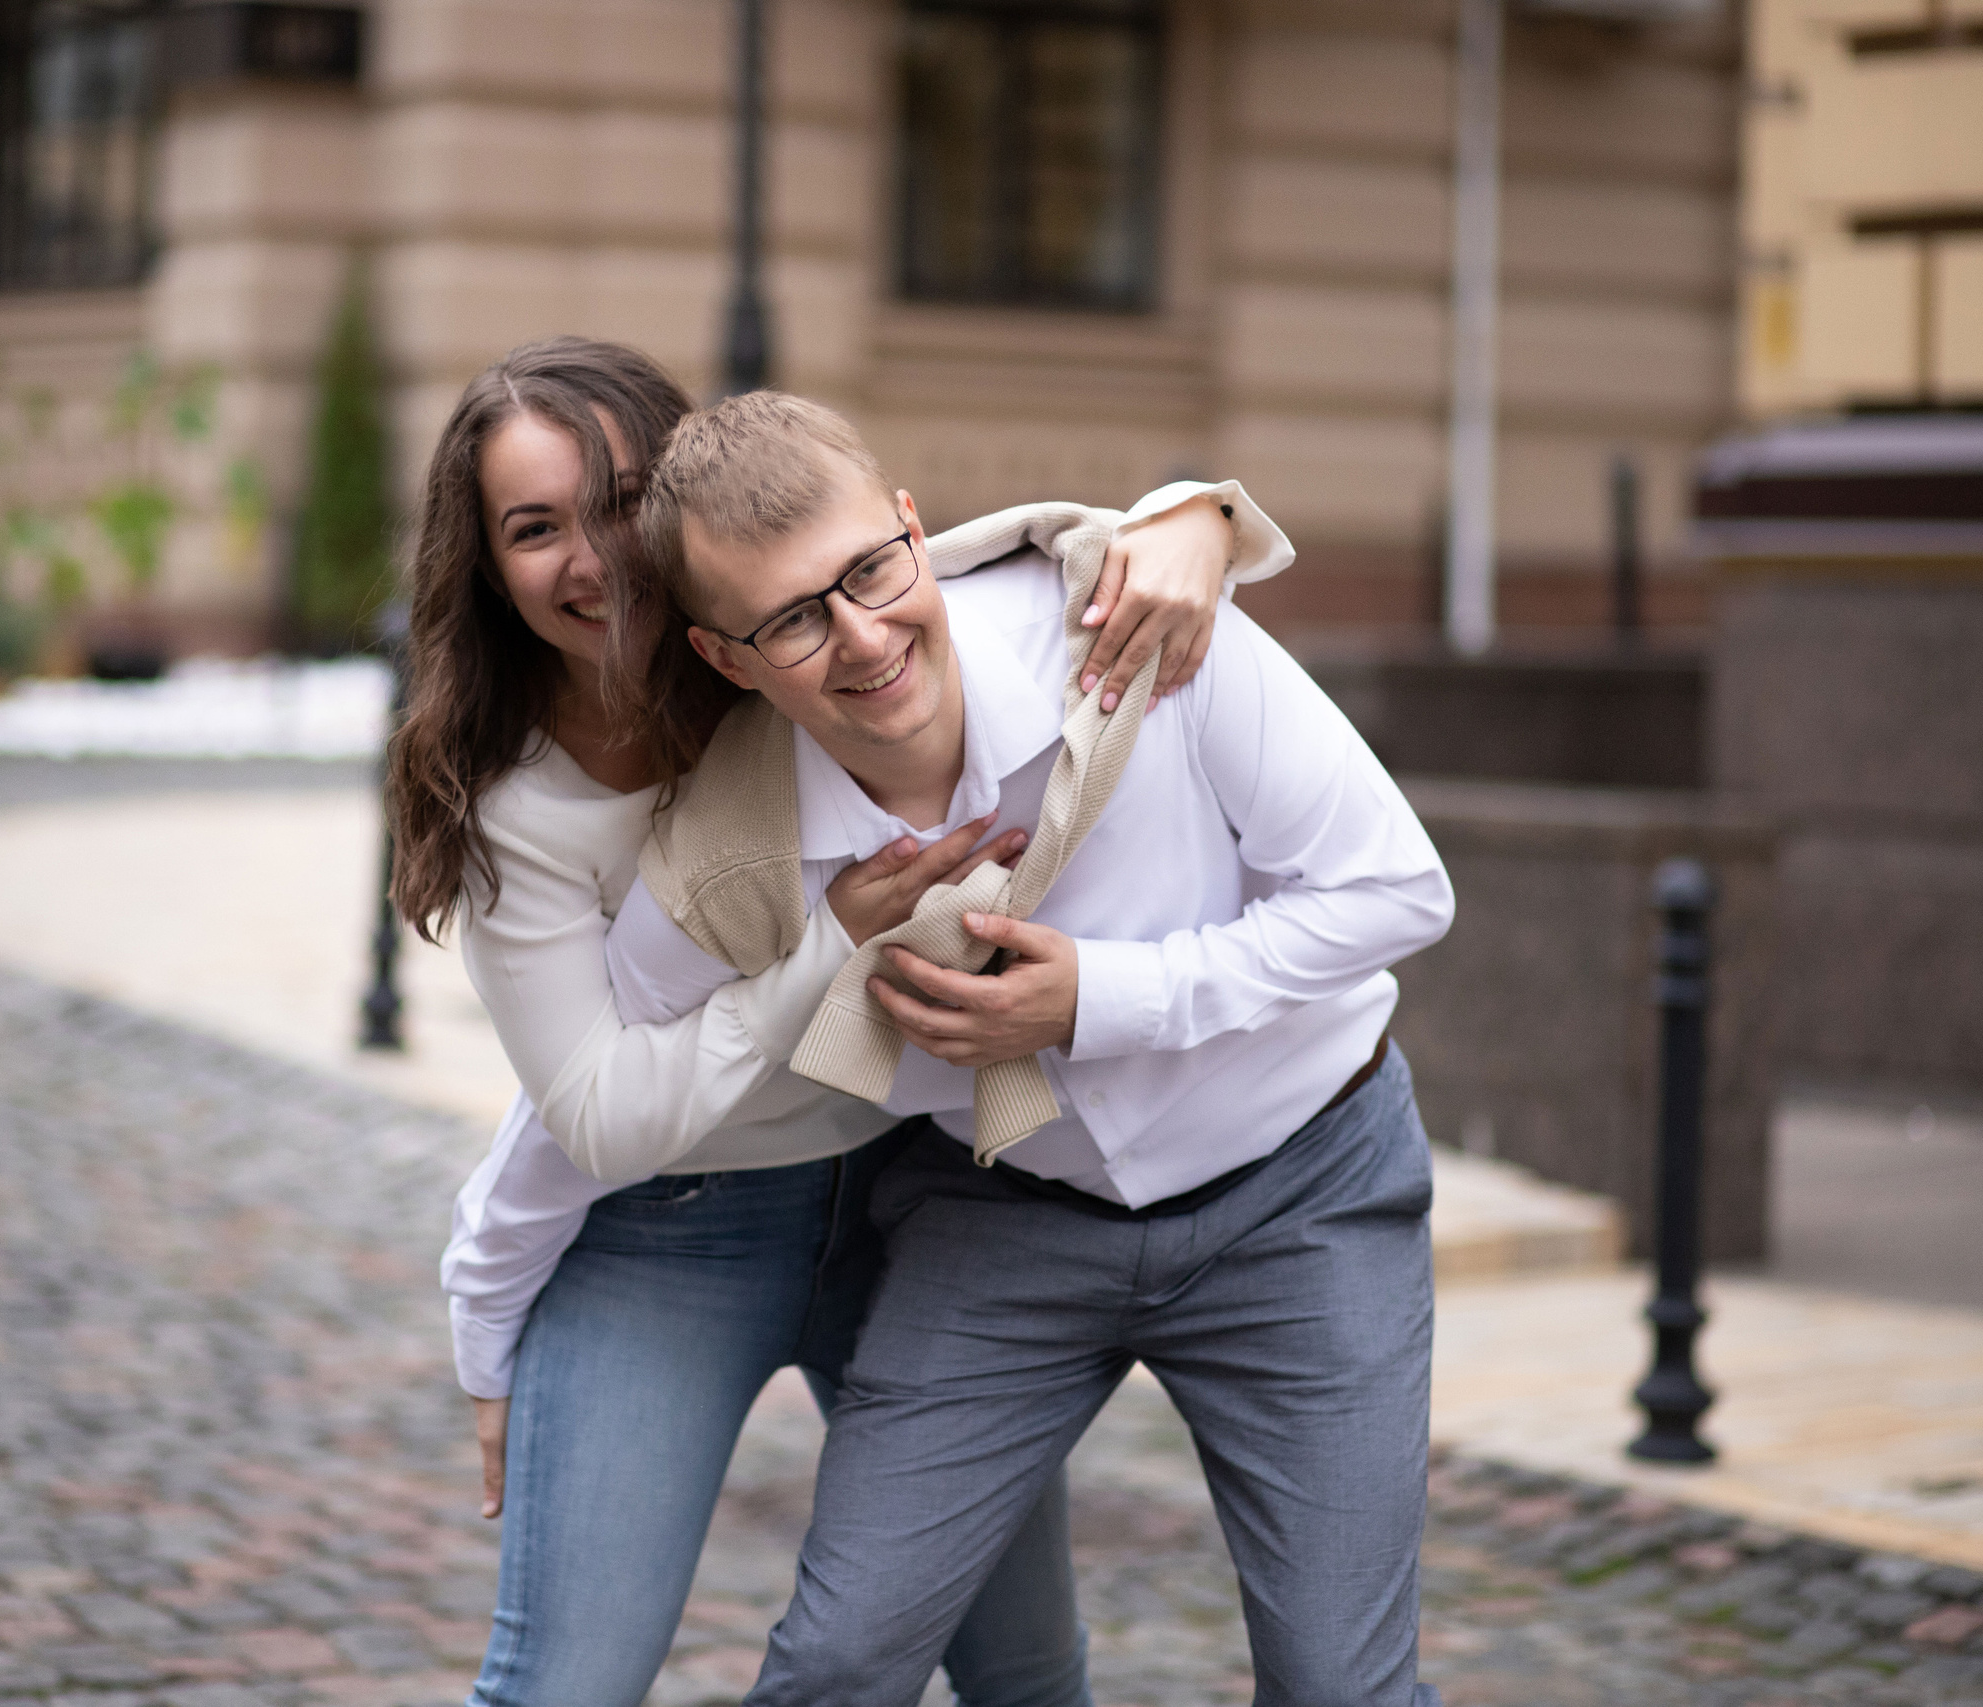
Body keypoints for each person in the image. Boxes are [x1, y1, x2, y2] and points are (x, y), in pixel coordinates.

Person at [387, 336, 1249, 1707]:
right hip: (668, 1236)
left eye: (619, 503)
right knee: (565, 1684)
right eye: (534, 528)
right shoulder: (517, 807)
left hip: (916, 1205)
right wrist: (825, 948)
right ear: (487, 566)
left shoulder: (787, 657)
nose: (592, 557)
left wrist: (1197, 518)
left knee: (1030, 1674)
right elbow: (599, 1114)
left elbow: (987, 561)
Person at [570, 390, 1456, 1707]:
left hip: (1303, 1192)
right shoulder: (728, 857)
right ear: (729, 659)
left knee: (1341, 1690)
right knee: (836, 1665)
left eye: (871, 570)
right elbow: (613, 1067)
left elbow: (1397, 891)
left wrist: (1106, 1000)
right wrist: (495, 1289)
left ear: (915, 530)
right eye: (795, 620)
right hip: (1003, 1218)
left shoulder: (1139, 633)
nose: (866, 638)